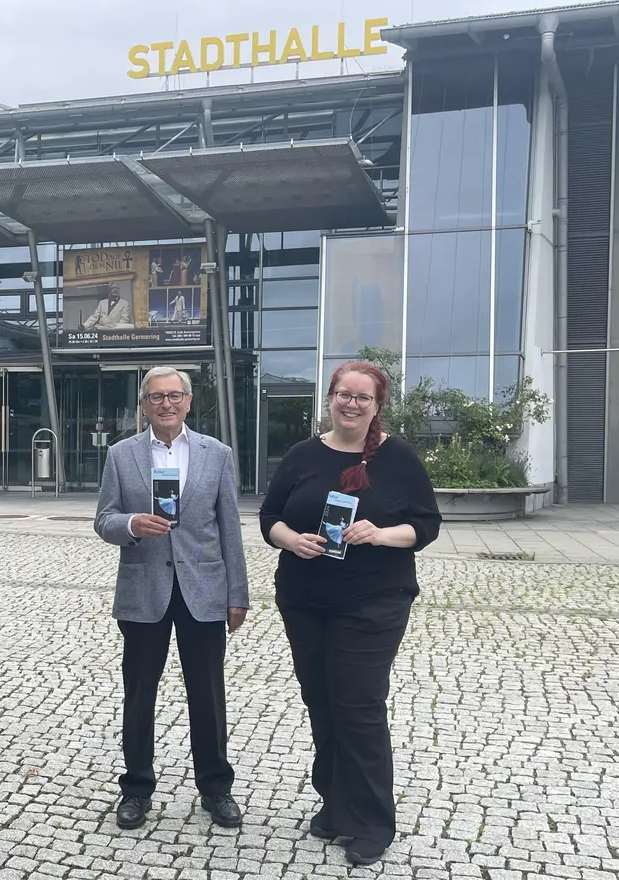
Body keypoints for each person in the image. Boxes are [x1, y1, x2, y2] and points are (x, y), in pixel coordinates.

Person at [258, 360, 441, 866]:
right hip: (306, 600)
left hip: (372, 602)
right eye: (343, 393)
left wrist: (380, 534)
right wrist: (291, 540)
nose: (351, 403)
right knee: (321, 701)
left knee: (358, 706)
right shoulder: (302, 454)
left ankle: (371, 821)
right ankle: (335, 804)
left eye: (362, 397)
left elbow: (426, 525)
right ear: (331, 397)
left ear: (377, 404)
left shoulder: (397, 458)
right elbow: (269, 517)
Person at [94, 367, 249, 831]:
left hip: (203, 590)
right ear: (143, 404)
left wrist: (236, 593)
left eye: (174, 395)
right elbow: (104, 519)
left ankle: (216, 788)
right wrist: (131, 526)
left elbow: (230, 528)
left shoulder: (216, 454)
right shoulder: (122, 455)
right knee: (139, 694)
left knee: (208, 695)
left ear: (188, 400)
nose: (166, 404)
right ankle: (136, 789)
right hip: (145, 590)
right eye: (156, 397)